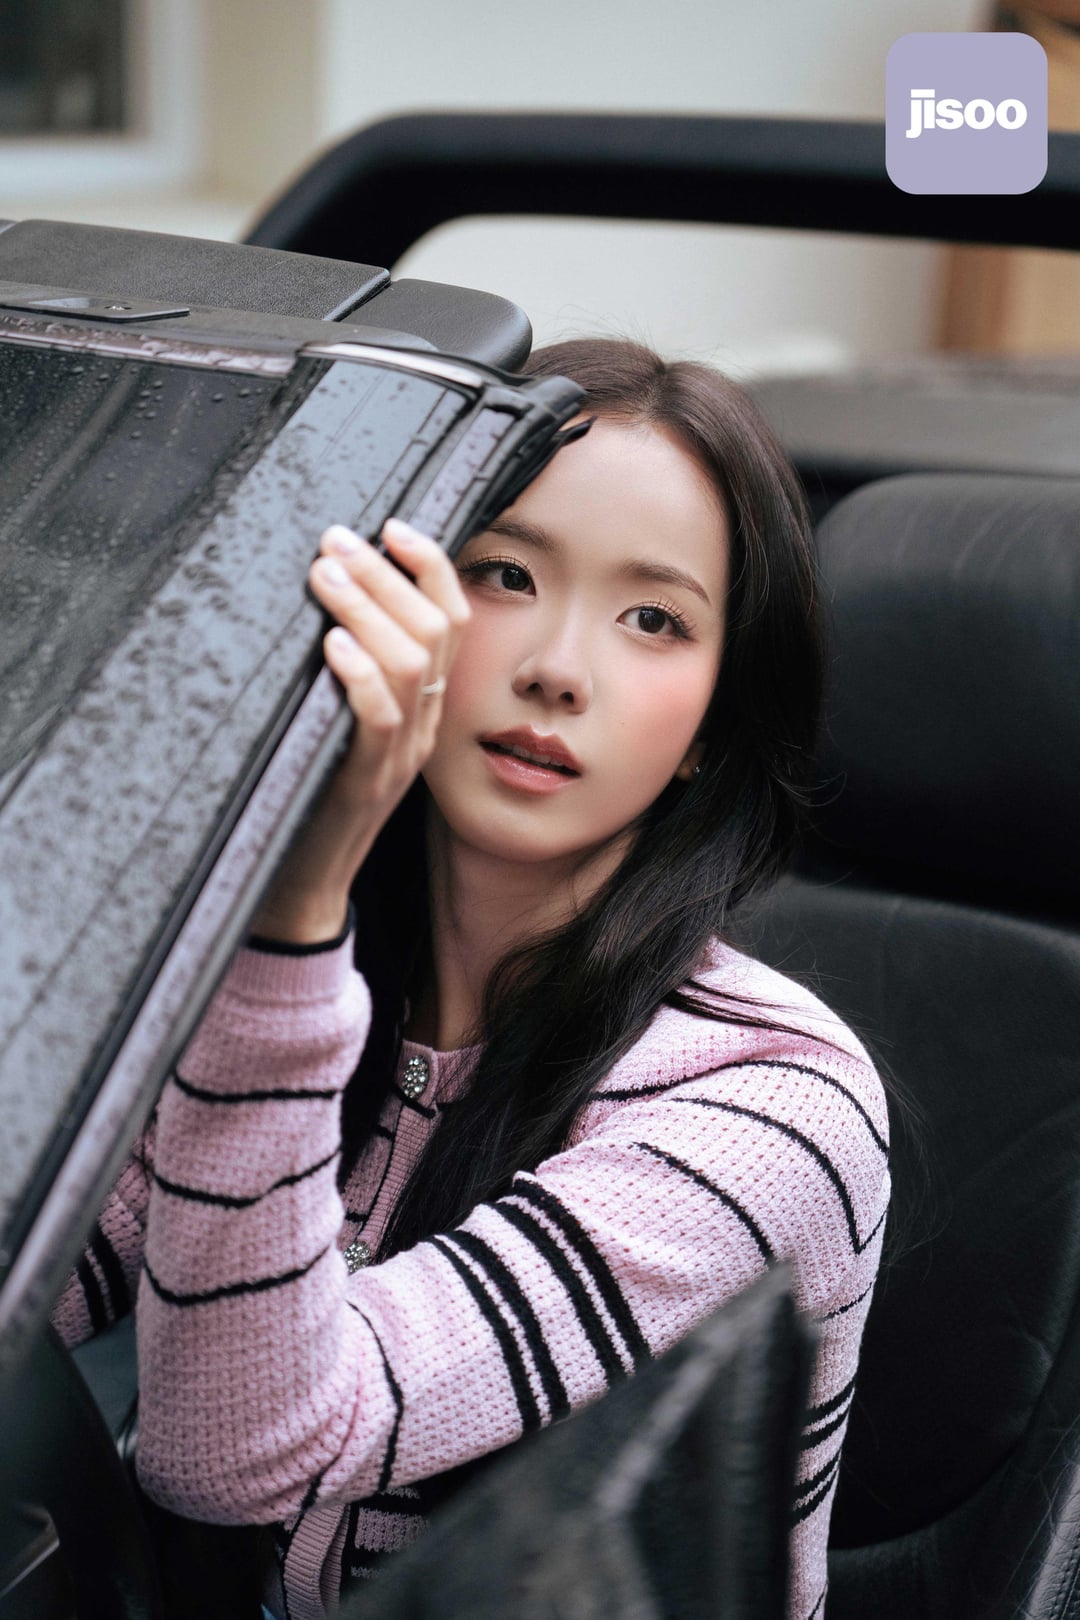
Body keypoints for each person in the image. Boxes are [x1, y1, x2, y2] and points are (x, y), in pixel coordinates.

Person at [54, 339, 890, 1620]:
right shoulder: (295, 984)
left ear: (709, 729)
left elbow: (236, 1452)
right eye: (506, 572)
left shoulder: (778, 1108)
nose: (558, 667)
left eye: (653, 619)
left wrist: (292, 907)